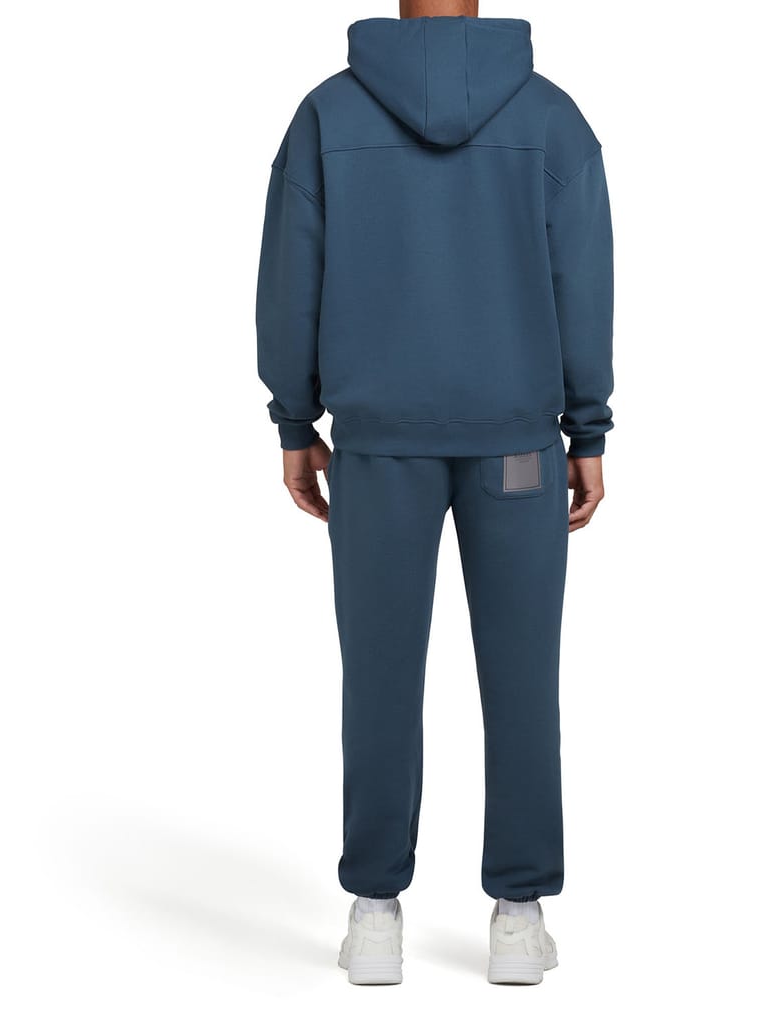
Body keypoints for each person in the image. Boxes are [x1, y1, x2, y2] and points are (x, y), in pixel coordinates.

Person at [256, 0, 614, 986]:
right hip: (517, 446)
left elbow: (291, 277)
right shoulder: (550, 118)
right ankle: (518, 914)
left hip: (378, 448)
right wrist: (588, 428)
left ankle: (374, 912)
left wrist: (295, 421)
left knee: (376, 676)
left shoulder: (327, 115)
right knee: (523, 677)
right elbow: (583, 278)